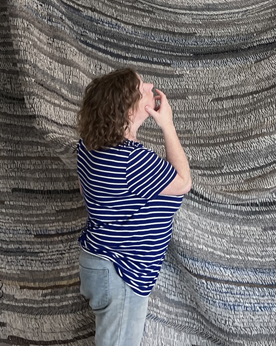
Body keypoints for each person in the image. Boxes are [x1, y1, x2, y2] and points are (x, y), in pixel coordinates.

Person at [76, 68, 192, 346]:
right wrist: (167, 125)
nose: (150, 85)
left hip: (97, 263)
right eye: (142, 88)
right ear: (129, 112)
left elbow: (89, 196)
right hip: (121, 271)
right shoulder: (132, 160)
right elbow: (183, 181)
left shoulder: (87, 148)